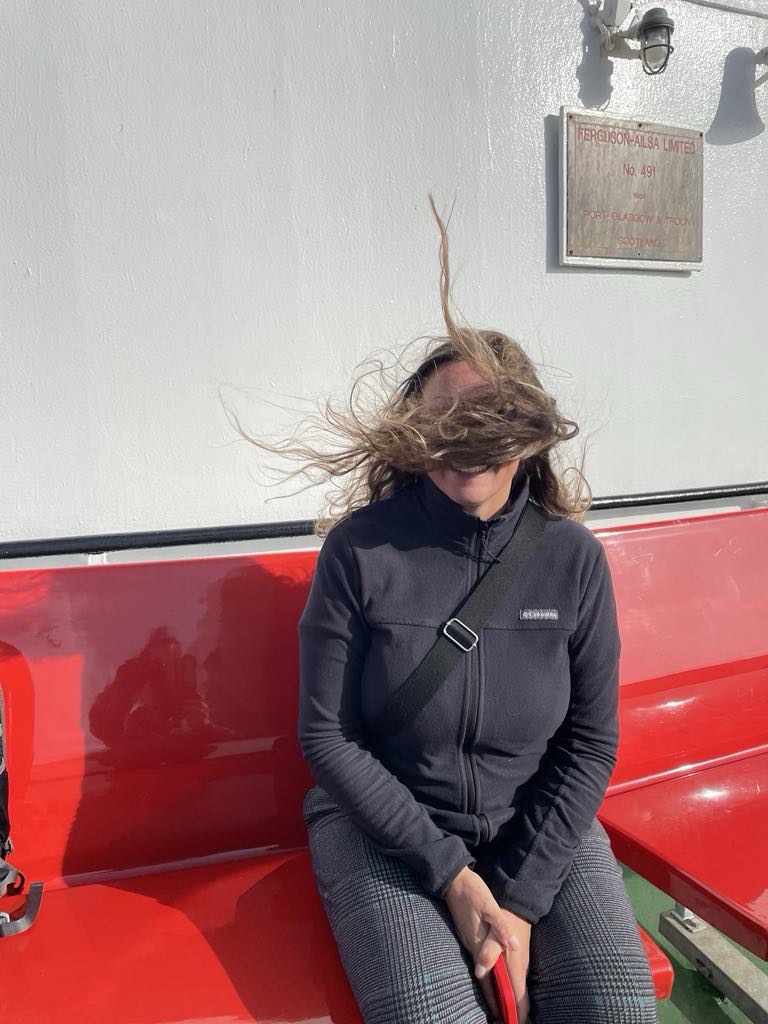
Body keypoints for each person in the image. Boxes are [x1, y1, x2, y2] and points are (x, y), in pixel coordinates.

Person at [288, 206, 658, 1024]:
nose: (467, 446)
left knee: (617, 1006)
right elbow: (327, 737)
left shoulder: (572, 559)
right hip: (384, 830)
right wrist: (451, 876)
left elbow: (589, 743)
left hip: (537, 824)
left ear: (528, 435)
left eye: (491, 423)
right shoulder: (361, 550)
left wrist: (518, 900)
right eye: (445, 423)